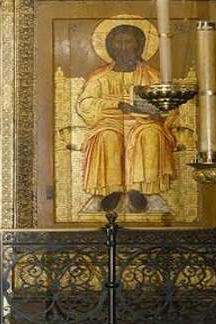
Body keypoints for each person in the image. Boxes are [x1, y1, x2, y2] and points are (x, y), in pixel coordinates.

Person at [76, 23, 177, 208]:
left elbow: (169, 103)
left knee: (151, 134)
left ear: (138, 46)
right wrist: (116, 103)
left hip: (143, 122)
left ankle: (147, 192)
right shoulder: (100, 76)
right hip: (110, 121)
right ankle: (108, 191)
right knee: (107, 136)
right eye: (118, 42)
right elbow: (85, 104)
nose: (123, 47)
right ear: (110, 47)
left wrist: (158, 114)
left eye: (128, 42)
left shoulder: (151, 76)